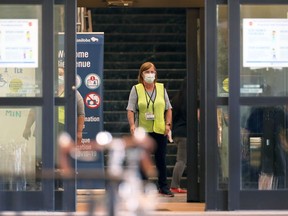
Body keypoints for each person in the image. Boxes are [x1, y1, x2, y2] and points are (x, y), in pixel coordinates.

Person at [126, 61, 174, 197]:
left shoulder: (161, 88)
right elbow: (130, 109)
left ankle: (163, 186)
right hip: (143, 131)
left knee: (161, 159)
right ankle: (142, 186)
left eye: (152, 71)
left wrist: (168, 125)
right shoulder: (136, 89)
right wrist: (132, 125)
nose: (150, 74)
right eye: (147, 72)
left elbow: (168, 108)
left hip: (160, 129)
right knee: (142, 159)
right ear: (142, 74)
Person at [169, 78, 188, 193]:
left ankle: (175, 185)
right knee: (181, 160)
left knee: (182, 159)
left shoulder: (176, 99)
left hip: (177, 132)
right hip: (185, 133)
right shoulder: (190, 100)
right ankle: (174, 185)